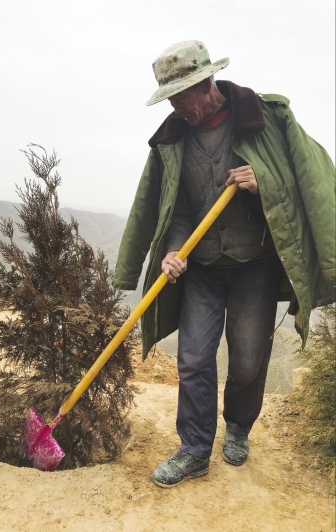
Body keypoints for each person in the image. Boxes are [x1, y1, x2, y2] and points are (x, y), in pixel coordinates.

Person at [112, 40, 335, 488]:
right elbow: (175, 210)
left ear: (205, 83)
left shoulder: (266, 119)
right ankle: (194, 449)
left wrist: (263, 182)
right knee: (193, 358)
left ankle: (237, 427)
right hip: (204, 271)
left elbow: (305, 181)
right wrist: (173, 250)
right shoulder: (174, 137)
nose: (176, 106)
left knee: (250, 359)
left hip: (257, 264)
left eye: (180, 96)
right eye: (170, 98)